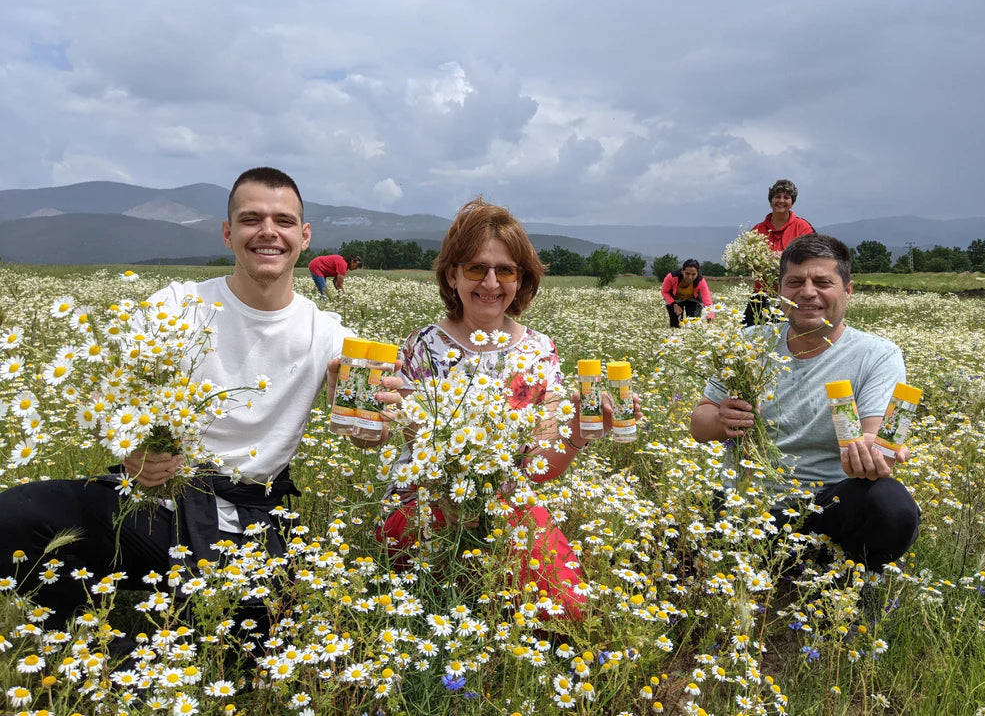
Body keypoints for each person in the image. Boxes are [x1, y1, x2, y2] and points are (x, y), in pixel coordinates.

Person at [0, 167, 395, 630]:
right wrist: (130, 447)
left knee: (252, 637)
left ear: (304, 236)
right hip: (152, 506)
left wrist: (370, 428)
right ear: (228, 233)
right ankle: (68, 633)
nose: (268, 231)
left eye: (283, 221)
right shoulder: (176, 304)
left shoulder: (327, 336)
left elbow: (367, 424)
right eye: (251, 219)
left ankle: (148, 642)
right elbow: (113, 393)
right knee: (15, 517)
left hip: (245, 522)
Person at [376, 197, 637, 620]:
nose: (491, 283)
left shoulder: (538, 351)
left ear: (522, 279)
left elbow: (540, 465)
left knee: (567, 609)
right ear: (452, 275)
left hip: (507, 502)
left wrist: (575, 437)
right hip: (429, 498)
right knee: (428, 601)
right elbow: (420, 452)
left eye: (506, 271)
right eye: (477, 268)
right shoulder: (424, 346)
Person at [690, 234, 920, 569]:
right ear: (779, 290)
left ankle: (845, 578)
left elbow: (873, 435)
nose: (807, 292)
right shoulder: (748, 343)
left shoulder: (877, 355)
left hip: (828, 507)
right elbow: (699, 424)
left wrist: (873, 453)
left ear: (848, 290)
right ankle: (780, 567)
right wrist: (722, 420)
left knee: (891, 505)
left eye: (823, 282)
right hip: (745, 502)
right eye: (795, 282)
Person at [743, 179, 815, 325]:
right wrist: (760, 262)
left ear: (792, 202)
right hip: (762, 294)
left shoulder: (803, 227)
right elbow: (748, 264)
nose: (781, 201)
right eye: (777, 197)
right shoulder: (757, 230)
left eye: (786, 197)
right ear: (770, 201)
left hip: (793, 294)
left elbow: (812, 257)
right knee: (748, 335)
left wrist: (784, 256)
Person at [661, 258, 715, 328]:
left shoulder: (700, 281)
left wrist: (710, 316)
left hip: (693, 300)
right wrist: (674, 304)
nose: (690, 277)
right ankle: (676, 335)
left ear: (697, 273)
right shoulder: (671, 277)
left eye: (693, 274)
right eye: (687, 273)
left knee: (694, 323)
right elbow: (665, 292)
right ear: (682, 271)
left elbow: (707, 299)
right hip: (675, 300)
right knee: (676, 324)